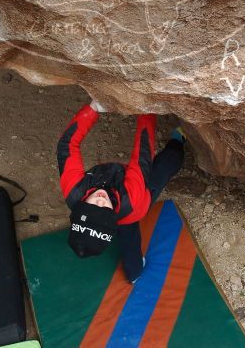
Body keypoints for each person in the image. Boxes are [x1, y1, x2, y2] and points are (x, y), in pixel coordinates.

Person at [56, 99, 186, 282]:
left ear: (80, 206)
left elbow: (66, 146)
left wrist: (93, 109)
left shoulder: (74, 190)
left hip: (114, 183)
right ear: (111, 219)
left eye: (93, 205)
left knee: (127, 235)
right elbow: (143, 154)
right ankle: (178, 142)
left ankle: (133, 272)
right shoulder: (132, 199)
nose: (101, 201)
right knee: (167, 162)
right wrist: (146, 110)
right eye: (104, 209)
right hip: (138, 199)